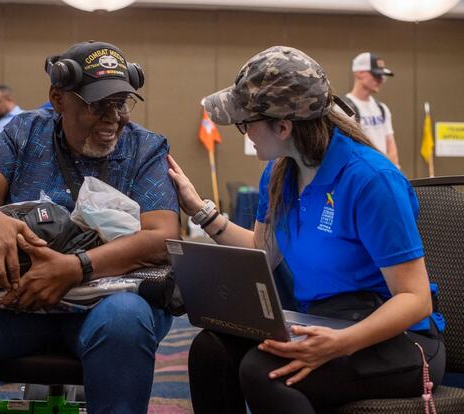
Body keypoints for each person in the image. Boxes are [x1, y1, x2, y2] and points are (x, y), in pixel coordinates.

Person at [168, 46, 445, 413]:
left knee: (264, 372)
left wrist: (340, 343)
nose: (245, 134)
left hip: (397, 339)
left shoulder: (370, 180)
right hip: (321, 319)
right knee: (211, 350)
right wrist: (201, 211)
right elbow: (262, 251)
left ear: (283, 127)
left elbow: (414, 299)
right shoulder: (279, 171)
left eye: (246, 123)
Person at [0, 40, 180, 413]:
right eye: (97, 105)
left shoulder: (145, 148)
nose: (113, 118)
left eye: (121, 103)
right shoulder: (25, 133)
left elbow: (162, 237)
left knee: (127, 318)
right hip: (17, 304)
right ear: (58, 99)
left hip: (103, 306)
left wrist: (75, 268)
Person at [344, 52, 399, 166]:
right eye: (376, 75)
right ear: (359, 73)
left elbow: (391, 146)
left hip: (383, 170)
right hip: (361, 171)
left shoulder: (382, 108)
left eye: (382, 76)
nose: (380, 80)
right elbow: (345, 150)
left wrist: (393, 171)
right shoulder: (344, 108)